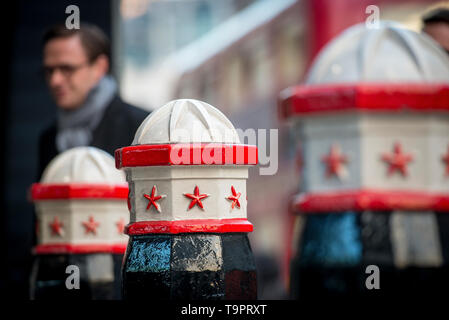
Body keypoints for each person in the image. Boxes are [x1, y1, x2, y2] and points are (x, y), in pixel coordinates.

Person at [38, 23, 149, 178]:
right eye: (49, 70)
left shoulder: (143, 128)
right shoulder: (48, 138)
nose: (55, 80)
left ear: (99, 67)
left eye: (67, 69)